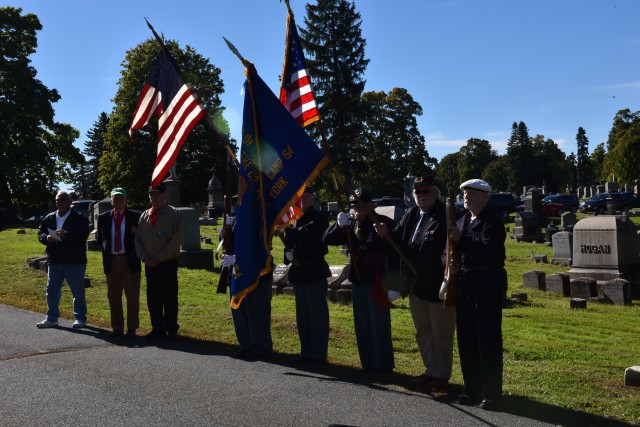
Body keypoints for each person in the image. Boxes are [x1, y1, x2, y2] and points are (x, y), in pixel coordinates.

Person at [374, 175, 454, 391]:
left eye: (426, 191)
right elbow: (398, 239)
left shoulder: (445, 215)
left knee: (441, 333)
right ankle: (430, 370)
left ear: (435, 193)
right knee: (423, 331)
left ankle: (441, 374)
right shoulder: (411, 214)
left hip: (438, 284)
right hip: (415, 285)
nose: (422, 196)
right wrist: (385, 233)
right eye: (418, 192)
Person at [449, 179, 507, 410]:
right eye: (465, 193)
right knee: (467, 340)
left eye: (472, 194)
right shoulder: (462, 220)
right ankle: (471, 389)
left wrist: (460, 239)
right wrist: (450, 263)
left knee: (488, 340)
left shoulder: (491, 222)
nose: (466, 197)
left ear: (485, 197)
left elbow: (488, 251)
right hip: (465, 285)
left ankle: (492, 394)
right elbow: (450, 248)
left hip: (486, 285)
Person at [323, 189, 395, 373]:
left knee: (378, 324)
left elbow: (396, 250)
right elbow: (327, 239)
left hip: (377, 279)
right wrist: (338, 226)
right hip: (358, 278)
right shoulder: (351, 224)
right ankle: (368, 363)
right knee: (362, 323)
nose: (358, 209)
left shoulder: (383, 223)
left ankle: (383, 365)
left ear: (371, 205)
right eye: (355, 206)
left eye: (362, 205)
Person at [280, 187, 330, 367]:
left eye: (306, 197)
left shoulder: (320, 218)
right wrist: (288, 256)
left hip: (313, 271)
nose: (302, 201)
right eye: (299, 198)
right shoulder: (293, 219)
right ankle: (306, 352)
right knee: (303, 317)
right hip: (298, 273)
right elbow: (288, 244)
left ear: (312, 198)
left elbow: (310, 235)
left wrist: (291, 231)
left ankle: (318, 355)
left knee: (317, 316)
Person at [220, 216, 273, 360]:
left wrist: (237, 258)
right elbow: (225, 241)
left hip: (257, 272)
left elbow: (258, 245)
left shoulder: (260, 216)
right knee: (240, 312)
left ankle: (261, 347)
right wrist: (226, 228)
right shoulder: (238, 217)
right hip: (238, 273)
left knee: (256, 312)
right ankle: (246, 345)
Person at [135, 183, 183, 341]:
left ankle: (171, 329)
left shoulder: (174, 214)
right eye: (151, 195)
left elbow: (176, 240)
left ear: (164, 196)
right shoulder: (144, 216)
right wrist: (145, 257)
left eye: (157, 195)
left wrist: (159, 258)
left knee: (169, 297)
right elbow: (138, 240)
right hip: (149, 264)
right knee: (153, 298)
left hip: (166, 263)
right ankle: (157, 328)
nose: (154, 198)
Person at [36, 191, 90, 329]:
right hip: (54, 260)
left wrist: (67, 235)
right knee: (52, 290)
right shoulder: (50, 217)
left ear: (70, 201)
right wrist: (46, 238)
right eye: (58, 200)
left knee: (77, 291)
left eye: (64, 199)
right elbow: (40, 233)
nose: (60, 202)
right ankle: (51, 318)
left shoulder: (79, 218)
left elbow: (83, 235)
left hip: (74, 261)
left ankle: (80, 318)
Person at [96, 187, 141, 337]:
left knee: (132, 295)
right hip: (112, 261)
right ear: (111, 200)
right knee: (113, 296)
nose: (118, 200)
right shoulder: (103, 217)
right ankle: (117, 327)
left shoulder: (135, 216)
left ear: (126, 200)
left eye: (121, 197)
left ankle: (132, 328)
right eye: (115, 197)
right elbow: (99, 238)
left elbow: (141, 238)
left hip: (130, 260)